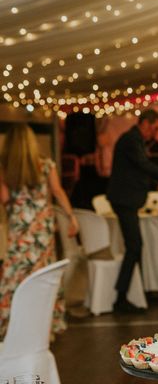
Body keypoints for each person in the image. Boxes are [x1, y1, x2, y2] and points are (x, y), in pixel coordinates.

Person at [0, 123, 79, 339]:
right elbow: (57, 192)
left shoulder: (5, 168)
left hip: (19, 230)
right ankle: (44, 329)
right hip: (42, 231)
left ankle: (14, 328)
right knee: (43, 277)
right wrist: (71, 217)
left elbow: (5, 199)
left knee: (16, 276)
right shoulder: (45, 164)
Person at [107, 109, 158, 314]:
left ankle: (133, 293)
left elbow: (136, 171)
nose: (155, 133)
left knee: (135, 247)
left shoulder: (132, 140)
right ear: (145, 123)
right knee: (134, 247)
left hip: (127, 199)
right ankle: (121, 297)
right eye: (155, 128)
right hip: (125, 200)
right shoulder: (131, 140)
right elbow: (143, 166)